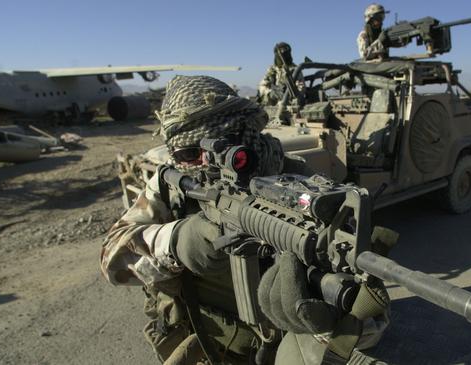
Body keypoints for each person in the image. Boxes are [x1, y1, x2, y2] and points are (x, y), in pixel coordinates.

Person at [101, 75, 388, 364]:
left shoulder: (298, 184)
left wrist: (328, 321)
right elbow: (111, 260)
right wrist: (175, 241)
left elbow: (371, 321)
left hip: (281, 347)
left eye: (219, 148)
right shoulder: (173, 184)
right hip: (204, 338)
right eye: (188, 154)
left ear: (245, 136)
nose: (203, 163)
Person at [258, 42, 304, 106]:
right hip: (271, 104)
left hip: (288, 104)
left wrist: (287, 96)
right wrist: (270, 93)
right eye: (281, 53)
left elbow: (301, 89)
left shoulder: (295, 69)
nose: (284, 56)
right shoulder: (272, 69)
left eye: (286, 53)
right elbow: (262, 85)